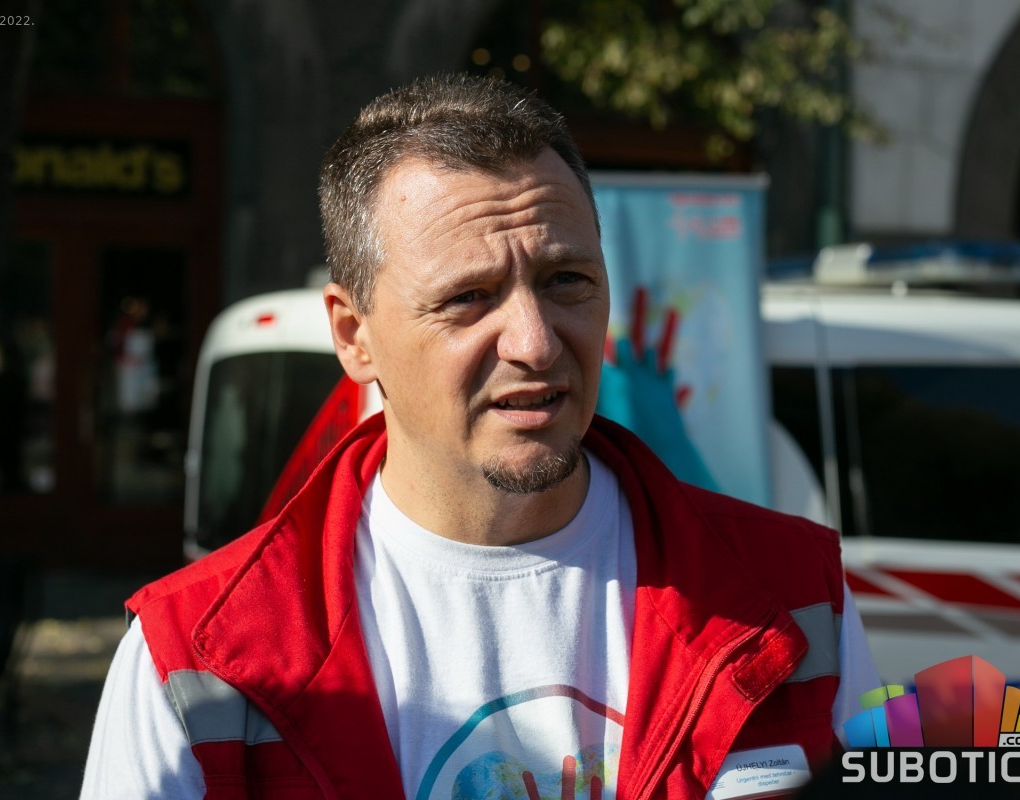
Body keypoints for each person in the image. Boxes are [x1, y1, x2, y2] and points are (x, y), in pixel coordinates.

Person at [81, 73, 878, 799]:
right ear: (355, 336)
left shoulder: (798, 599)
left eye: (567, 280)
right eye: (469, 297)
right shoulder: (197, 658)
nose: (535, 340)